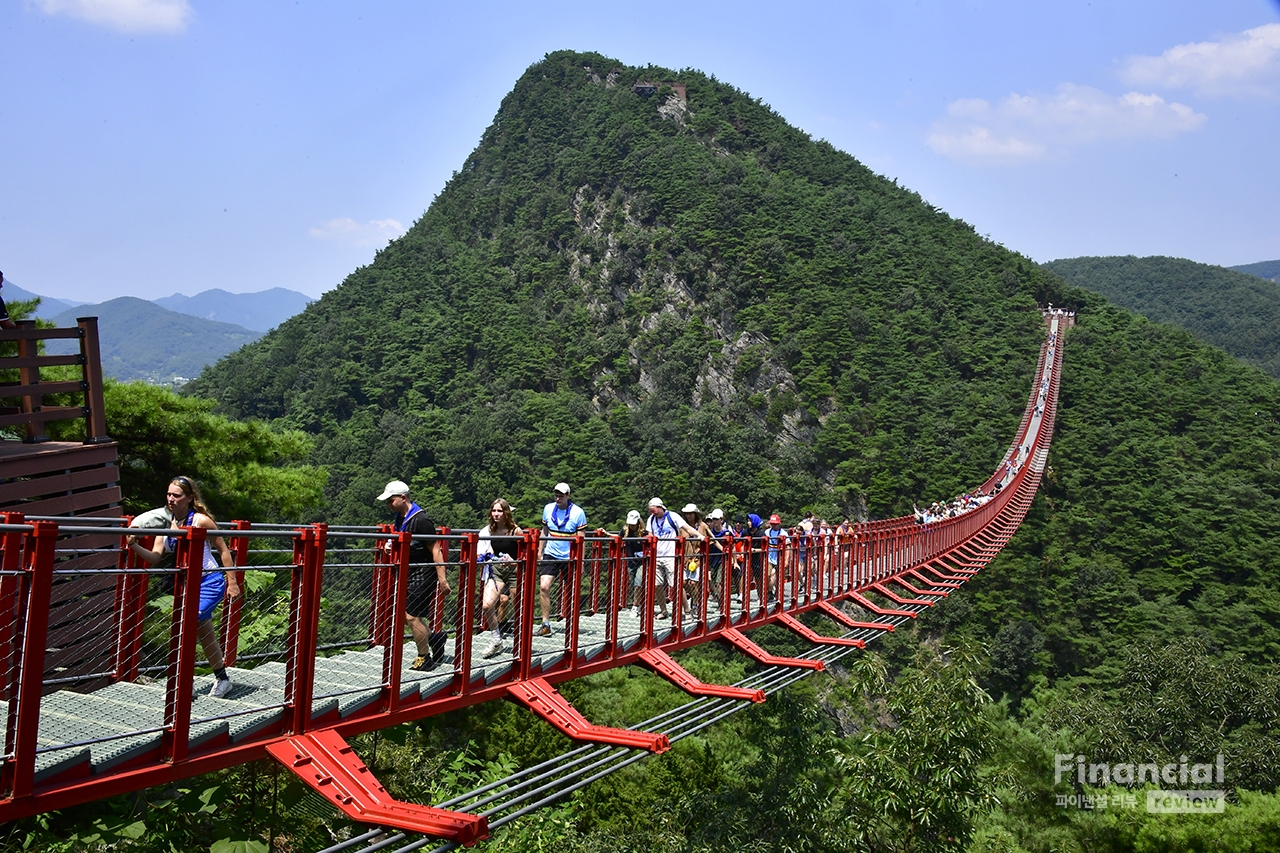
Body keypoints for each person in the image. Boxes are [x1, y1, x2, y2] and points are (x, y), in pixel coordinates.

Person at [125, 476, 240, 698]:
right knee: (205, 634)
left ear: (189, 498)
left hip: (210, 582)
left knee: (187, 625)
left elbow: (223, 550)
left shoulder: (201, 521)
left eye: (176, 495)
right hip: (189, 586)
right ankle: (223, 680)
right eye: (168, 495)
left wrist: (232, 582)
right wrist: (134, 545)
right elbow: (155, 558)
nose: (171, 499)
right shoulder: (166, 527)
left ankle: (184, 684)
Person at [378, 480, 450, 671]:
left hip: (424, 572)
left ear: (403, 498)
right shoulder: (402, 518)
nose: (388, 504)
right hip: (410, 571)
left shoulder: (420, 520)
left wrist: (442, 578)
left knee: (411, 617)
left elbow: (435, 548)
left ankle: (424, 657)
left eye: (391, 500)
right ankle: (435, 638)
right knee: (409, 615)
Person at [537, 482, 588, 637]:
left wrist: (582, 560)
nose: (558, 498)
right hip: (551, 553)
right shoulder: (548, 509)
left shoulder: (578, 513)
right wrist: (540, 552)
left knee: (572, 590)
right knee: (544, 587)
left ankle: (573, 622)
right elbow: (544, 531)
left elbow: (582, 539)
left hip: (570, 556)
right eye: (556, 495)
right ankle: (545, 623)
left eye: (561, 495)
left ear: (568, 496)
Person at [476, 498, 521, 659]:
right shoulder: (490, 530)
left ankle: (521, 640)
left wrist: (513, 562)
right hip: (498, 570)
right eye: (494, 510)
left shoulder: (516, 531)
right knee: (487, 605)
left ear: (506, 513)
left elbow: (526, 555)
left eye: (499, 511)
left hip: (516, 570)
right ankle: (496, 639)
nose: (496, 514)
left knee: (519, 606)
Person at [645, 497, 702, 619]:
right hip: (657, 556)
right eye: (650, 511)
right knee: (656, 585)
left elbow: (687, 528)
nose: (652, 513)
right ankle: (663, 610)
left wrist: (699, 535)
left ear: (660, 507)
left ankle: (687, 611)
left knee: (676, 585)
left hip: (671, 556)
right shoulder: (651, 519)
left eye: (653, 510)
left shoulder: (673, 516)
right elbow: (650, 534)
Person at [680, 504, 710, 614]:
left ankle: (696, 604)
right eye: (686, 513)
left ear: (695, 514)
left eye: (690, 513)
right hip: (685, 559)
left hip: (697, 559)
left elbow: (712, 539)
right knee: (683, 583)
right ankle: (693, 600)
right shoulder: (682, 527)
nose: (688, 515)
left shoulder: (702, 526)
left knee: (695, 583)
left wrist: (724, 550)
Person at [622, 510, 645, 617]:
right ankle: (639, 603)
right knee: (633, 583)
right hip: (631, 560)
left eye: (633, 524)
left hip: (642, 561)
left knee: (638, 583)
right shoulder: (625, 530)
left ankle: (635, 606)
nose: (631, 526)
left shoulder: (644, 531)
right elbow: (618, 538)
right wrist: (607, 534)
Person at [705, 508, 730, 608]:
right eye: (713, 519)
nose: (714, 521)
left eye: (716, 519)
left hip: (722, 560)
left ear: (721, 520)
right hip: (711, 559)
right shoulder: (710, 533)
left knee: (719, 582)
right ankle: (718, 597)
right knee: (709, 579)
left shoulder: (726, 533)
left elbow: (732, 547)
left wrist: (734, 560)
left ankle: (722, 602)